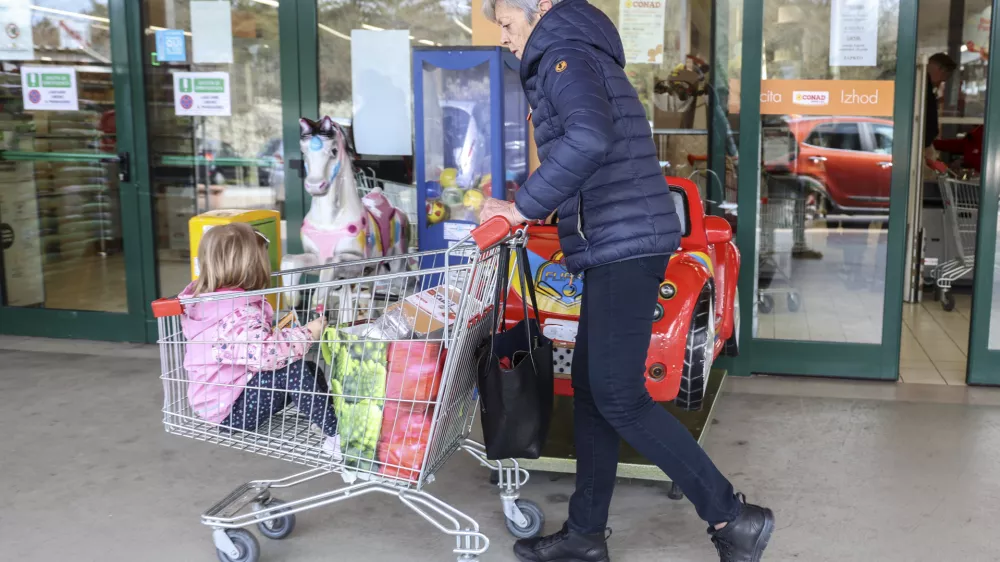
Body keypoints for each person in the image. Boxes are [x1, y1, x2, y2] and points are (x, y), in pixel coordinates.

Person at [479, 0, 774, 561]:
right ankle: (585, 535)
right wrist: (532, 208)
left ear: (540, 8)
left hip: (624, 242)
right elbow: (589, 152)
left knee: (618, 396)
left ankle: (734, 518)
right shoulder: (576, 52)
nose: (504, 39)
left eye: (508, 24)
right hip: (616, 239)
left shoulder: (565, 55)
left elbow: (588, 139)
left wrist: (520, 209)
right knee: (593, 390)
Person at [179, 223, 340, 458]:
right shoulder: (236, 313)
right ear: (251, 267)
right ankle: (337, 436)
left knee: (307, 369)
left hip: (228, 398)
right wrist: (307, 333)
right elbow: (266, 354)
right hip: (229, 412)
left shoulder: (214, 303)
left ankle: (327, 419)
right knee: (293, 370)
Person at [924, 53, 957, 161]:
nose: (941, 83)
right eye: (943, 78)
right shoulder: (923, 86)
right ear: (941, 69)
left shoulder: (925, 86)